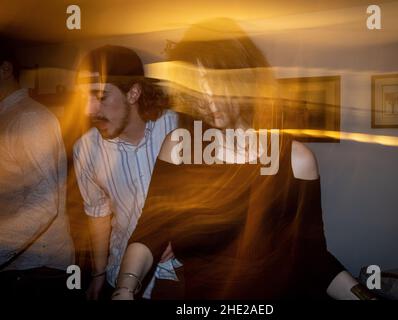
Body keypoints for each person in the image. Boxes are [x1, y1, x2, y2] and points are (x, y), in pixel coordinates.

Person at [113, 18, 373, 300]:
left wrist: (365, 297)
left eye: (214, 82)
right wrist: (125, 289)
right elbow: (149, 233)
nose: (207, 98)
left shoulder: (297, 160)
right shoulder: (178, 149)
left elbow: (313, 257)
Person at [73, 45, 180, 300]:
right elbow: (98, 213)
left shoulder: (178, 128)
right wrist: (99, 275)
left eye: (99, 96)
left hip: (178, 277)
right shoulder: (86, 149)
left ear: (133, 93)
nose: (89, 110)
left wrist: (185, 233)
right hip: (120, 276)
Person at [0, 42, 75, 299]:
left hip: (37, 269)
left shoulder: (29, 119)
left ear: (5, 69)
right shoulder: (9, 116)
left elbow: (44, 203)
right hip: (21, 266)